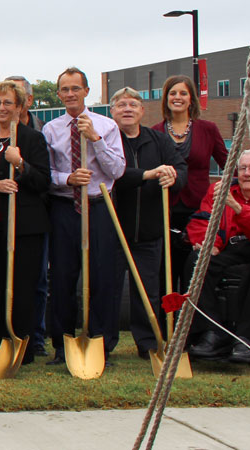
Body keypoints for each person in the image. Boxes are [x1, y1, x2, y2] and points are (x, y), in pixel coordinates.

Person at [42, 67, 126, 365]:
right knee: (63, 277)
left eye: (75, 88)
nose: (70, 94)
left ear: (86, 91)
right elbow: (46, 174)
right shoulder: (51, 129)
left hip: (98, 206)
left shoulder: (107, 125)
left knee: (102, 277)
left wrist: (96, 139)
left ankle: (98, 342)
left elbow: (117, 170)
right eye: (64, 89)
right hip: (65, 208)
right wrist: (67, 179)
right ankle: (63, 345)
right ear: (59, 94)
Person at [0, 82, 50, 364]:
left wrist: (20, 165)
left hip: (25, 227)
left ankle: (22, 349)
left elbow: (43, 181)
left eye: (7, 103)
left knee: (23, 287)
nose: (1, 108)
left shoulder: (32, 139)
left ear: (20, 106)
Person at [186, 150, 250, 363]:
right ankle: (211, 333)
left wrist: (238, 209)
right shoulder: (219, 190)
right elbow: (203, 219)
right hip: (231, 249)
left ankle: (249, 339)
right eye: (243, 168)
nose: (247, 173)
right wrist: (209, 244)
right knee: (197, 262)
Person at [109, 87, 186, 359]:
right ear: (112, 111)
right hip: (114, 230)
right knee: (109, 289)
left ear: (142, 110)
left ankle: (149, 342)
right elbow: (113, 175)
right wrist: (148, 174)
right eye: (121, 105)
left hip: (150, 230)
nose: (127, 109)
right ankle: (105, 343)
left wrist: (172, 176)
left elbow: (181, 170)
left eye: (133, 104)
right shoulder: (108, 141)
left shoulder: (160, 141)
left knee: (148, 292)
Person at [152, 75, 229, 304]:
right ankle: (166, 329)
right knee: (165, 272)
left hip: (198, 212)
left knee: (192, 272)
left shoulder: (208, 129)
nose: (178, 98)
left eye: (183, 93)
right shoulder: (155, 132)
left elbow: (228, 164)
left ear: (191, 99)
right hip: (165, 211)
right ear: (166, 99)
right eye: (173, 93)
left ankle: (191, 328)